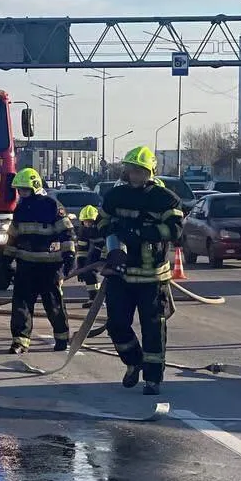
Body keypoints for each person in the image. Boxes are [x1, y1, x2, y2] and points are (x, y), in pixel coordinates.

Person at [97, 145, 183, 395]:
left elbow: (175, 230)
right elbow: (101, 220)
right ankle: (134, 362)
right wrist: (112, 239)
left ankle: (153, 379)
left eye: (140, 171)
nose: (134, 175)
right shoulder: (115, 196)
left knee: (153, 329)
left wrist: (141, 234)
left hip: (152, 277)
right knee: (116, 325)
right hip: (120, 273)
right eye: (131, 170)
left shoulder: (165, 198)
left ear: (150, 172)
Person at [5, 167, 74, 354]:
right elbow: (13, 236)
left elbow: (66, 232)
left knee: (53, 304)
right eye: (19, 190)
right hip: (26, 265)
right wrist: (7, 260)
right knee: (21, 305)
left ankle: (61, 338)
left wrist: (69, 257)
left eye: (24, 189)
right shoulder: (20, 209)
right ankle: (20, 342)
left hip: (49, 266)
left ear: (35, 187)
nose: (21, 193)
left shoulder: (52, 205)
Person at [75, 204, 104, 303]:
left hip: (109, 250)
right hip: (97, 249)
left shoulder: (103, 226)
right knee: (88, 272)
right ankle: (94, 298)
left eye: (90, 221)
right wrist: (80, 267)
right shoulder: (83, 230)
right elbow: (82, 249)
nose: (88, 224)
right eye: (85, 221)